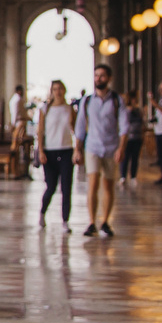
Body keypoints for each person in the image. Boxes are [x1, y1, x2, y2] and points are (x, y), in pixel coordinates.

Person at [74, 65, 123, 238]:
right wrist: (77, 150)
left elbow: (124, 127)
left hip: (111, 147)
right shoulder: (87, 101)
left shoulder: (116, 100)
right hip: (92, 146)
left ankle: (105, 221)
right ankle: (91, 222)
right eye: (96, 76)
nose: (98, 79)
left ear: (109, 78)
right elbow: (80, 127)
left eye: (102, 76)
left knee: (108, 185)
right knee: (93, 184)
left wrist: (121, 148)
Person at [37, 79, 76, 227]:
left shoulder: (69, 109)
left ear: (64, 90)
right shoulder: (45, 109)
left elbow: (76, 130)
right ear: (51, 91)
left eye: (60, 88)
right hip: (50, 151)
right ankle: (42, 212)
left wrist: (78, 150)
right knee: (51, 187)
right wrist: (41, 151)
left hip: (66, 150)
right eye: (55, 89)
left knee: (66, 187)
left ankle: (65, 221)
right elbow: (40, 131)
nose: (58, 91)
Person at [119, 91, 146, 189]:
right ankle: (123, 176)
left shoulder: (139, 110)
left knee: (135, 158)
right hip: (127, 138)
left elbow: (142, 122)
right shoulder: (125, 111)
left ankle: (133, 176)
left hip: (137, 137)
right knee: (125, 158)